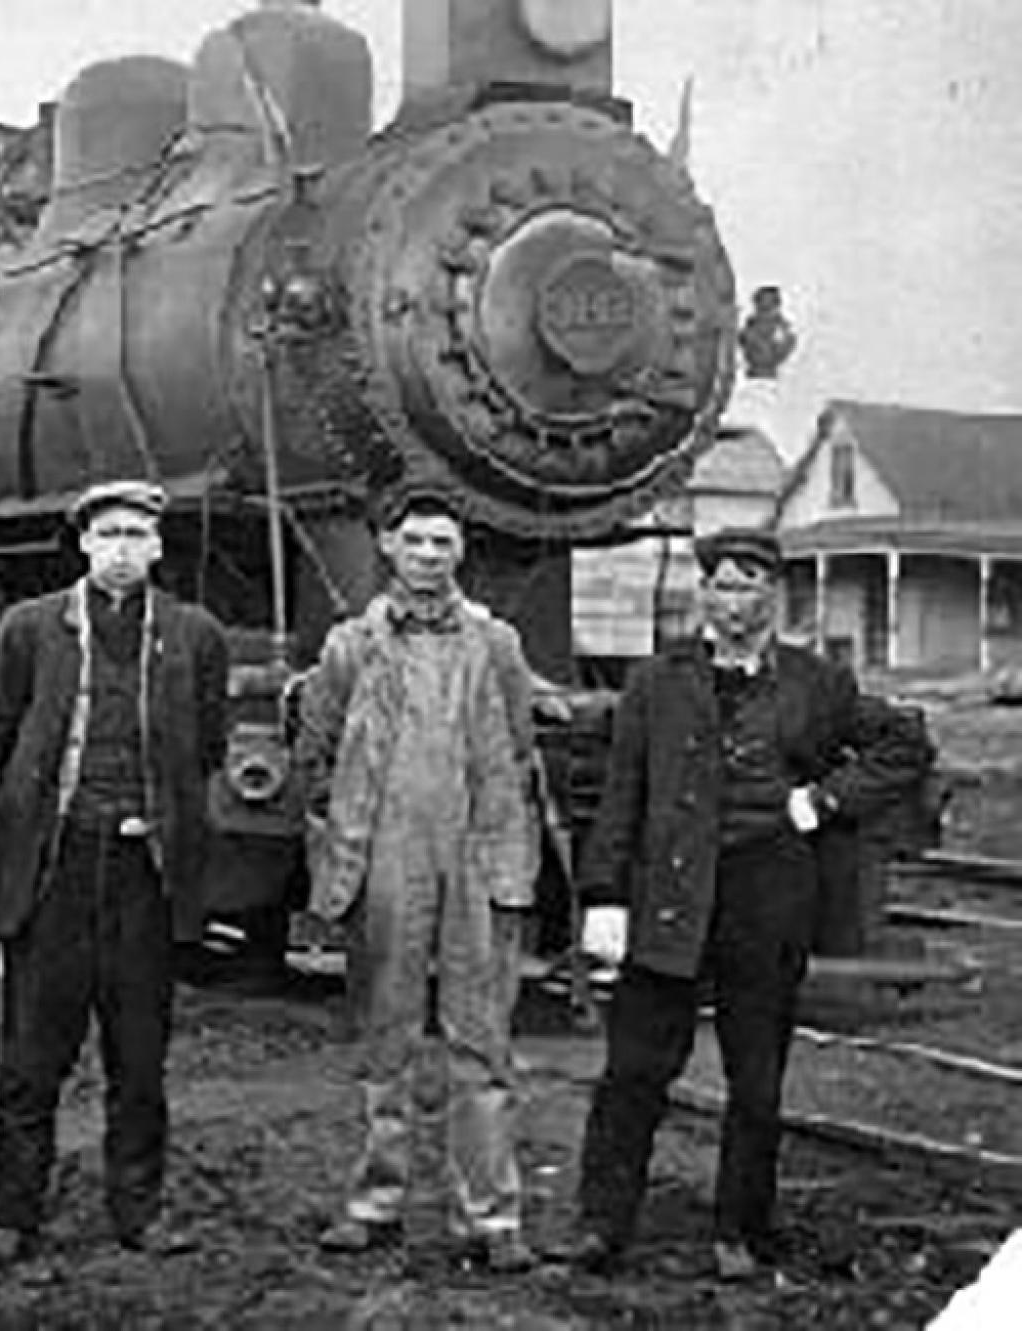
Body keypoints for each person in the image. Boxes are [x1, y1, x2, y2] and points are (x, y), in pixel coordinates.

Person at [565, 527, 926, 1281]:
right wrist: (604, 896)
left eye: (752, 585)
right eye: (724, 584)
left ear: (774, 595)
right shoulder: (656, 681)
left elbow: (902, 748)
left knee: (756, 1078)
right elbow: (622, 793)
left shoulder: (817, 682)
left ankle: (741, 1229)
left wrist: (822, 801)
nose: (736, 601)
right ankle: (602, 1225)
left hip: (767, 901)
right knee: (635, 1070)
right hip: (669, 900)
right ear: (704, 592)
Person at [0, 479, 230, 1275]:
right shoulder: (29, 628)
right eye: (108, 533)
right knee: (31, 1057)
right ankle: (12, 1215)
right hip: (58, 866)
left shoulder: (194, 634)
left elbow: (207, 746)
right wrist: (40, 820)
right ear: (83, 542)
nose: (122, 548)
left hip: (143, 873)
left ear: (158, 545)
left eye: (136, 534)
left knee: (139, 1058)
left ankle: (138, 1211)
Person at [291, 485, 540, 1273]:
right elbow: (315, 749)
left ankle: (490, 1216)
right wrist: (345, 848)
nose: (429, 555)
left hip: (477, 855)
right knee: (385, 1038)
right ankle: (375, 1204)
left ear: (461, 551)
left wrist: (498, 847)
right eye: (415, 540)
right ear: (388, 546)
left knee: (483, 1043)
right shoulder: (350, 646)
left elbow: (518, 745)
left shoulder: (496, 644)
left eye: (443, 542)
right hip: (385, 857)